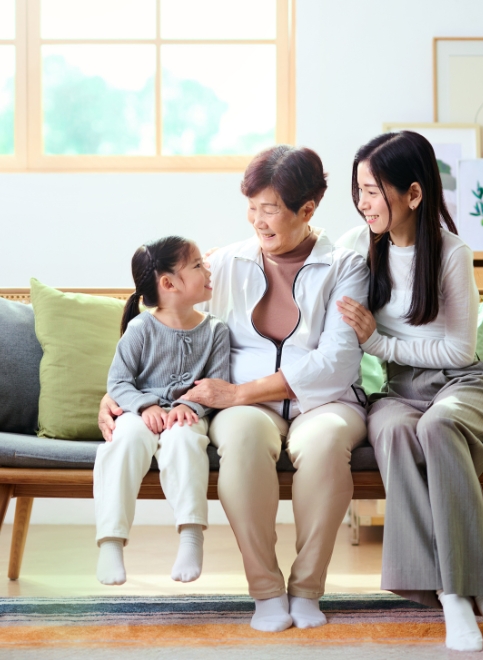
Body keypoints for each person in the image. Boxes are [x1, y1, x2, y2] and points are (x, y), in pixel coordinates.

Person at [99, 146, 370, 632]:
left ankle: (307, 587)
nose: (257, 221)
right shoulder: (223, 264)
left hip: (325, 402)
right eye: (251, 208)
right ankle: (266, 589)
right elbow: (166, 317)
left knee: (326, 442)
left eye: (269, 210)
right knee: (241, 438)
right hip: (249, 409)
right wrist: (120, 393)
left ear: (307, 210)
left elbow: (337, 362)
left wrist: (237, 395)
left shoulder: (345, 266)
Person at [336, 132, 483, 652]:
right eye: (359, 191)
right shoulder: (357, 246)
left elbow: (459, 351)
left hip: (463, 385)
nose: (363, 204)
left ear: (414, 194)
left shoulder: (451, 252)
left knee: (437, 424)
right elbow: (306, 263)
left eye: (373, 191)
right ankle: (451, 595)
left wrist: (378, 342)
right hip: (398, 392)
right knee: (395, 432)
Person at [94, 236, 229, 587]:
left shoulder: (216, 330)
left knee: (185, 441)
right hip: (139, 414)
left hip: (187, 417)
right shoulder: (141, 328)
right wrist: (145, 405)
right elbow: (118, 382)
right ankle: (110, 541)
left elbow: (218, 383)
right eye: (197, 265)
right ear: (168, 284)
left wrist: (189, 404)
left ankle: (191, 536)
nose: (207, 270)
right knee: (123, 441)